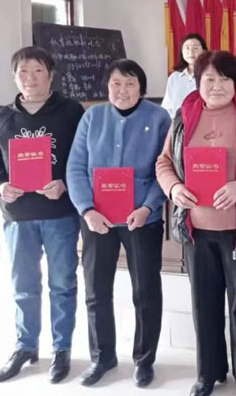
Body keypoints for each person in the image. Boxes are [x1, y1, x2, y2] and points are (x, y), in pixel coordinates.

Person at [156, 51, 236, 396]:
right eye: (209, 79)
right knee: (204, 304)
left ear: (235, 82)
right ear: (198, 82)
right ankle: (208, 373)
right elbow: (164, 162)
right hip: (196, 229)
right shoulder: (184, 117)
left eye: (224, 79)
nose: (217, 86)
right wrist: (174, 188)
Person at [0, 46, 84, 384]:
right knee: (23, 285)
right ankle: (25, 347)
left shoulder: (71, 112)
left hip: (59, 214)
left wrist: (64, 183)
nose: (30, 78)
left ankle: (62, 348)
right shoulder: (4, 117)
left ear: (51, 75)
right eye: (23, 71)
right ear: (15, 77)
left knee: (62, 283)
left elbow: (84, 155)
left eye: (37, 71)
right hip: (18, 215)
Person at [66, 59, 171, 387]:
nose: (122, 90)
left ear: (141, 87)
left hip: (141, 219)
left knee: (146, 290)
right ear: (107, 87)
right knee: (96, 290)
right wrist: (86, 209)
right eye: (116, 83)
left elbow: (166, 167)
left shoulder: (159, 118)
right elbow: (75, 167)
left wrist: (148, 207)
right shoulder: (92, 117)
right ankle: (102, 357)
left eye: (130, 83)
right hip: (97, 219)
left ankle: (144, 360)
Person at [162, 33, 207, 118]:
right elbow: (167, 106)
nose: (191, 52)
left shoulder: (209, 76)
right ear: (182, 52)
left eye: (195, 48)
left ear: (204, 51)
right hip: (177, 123)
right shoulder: (174, 77)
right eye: (187, 48)